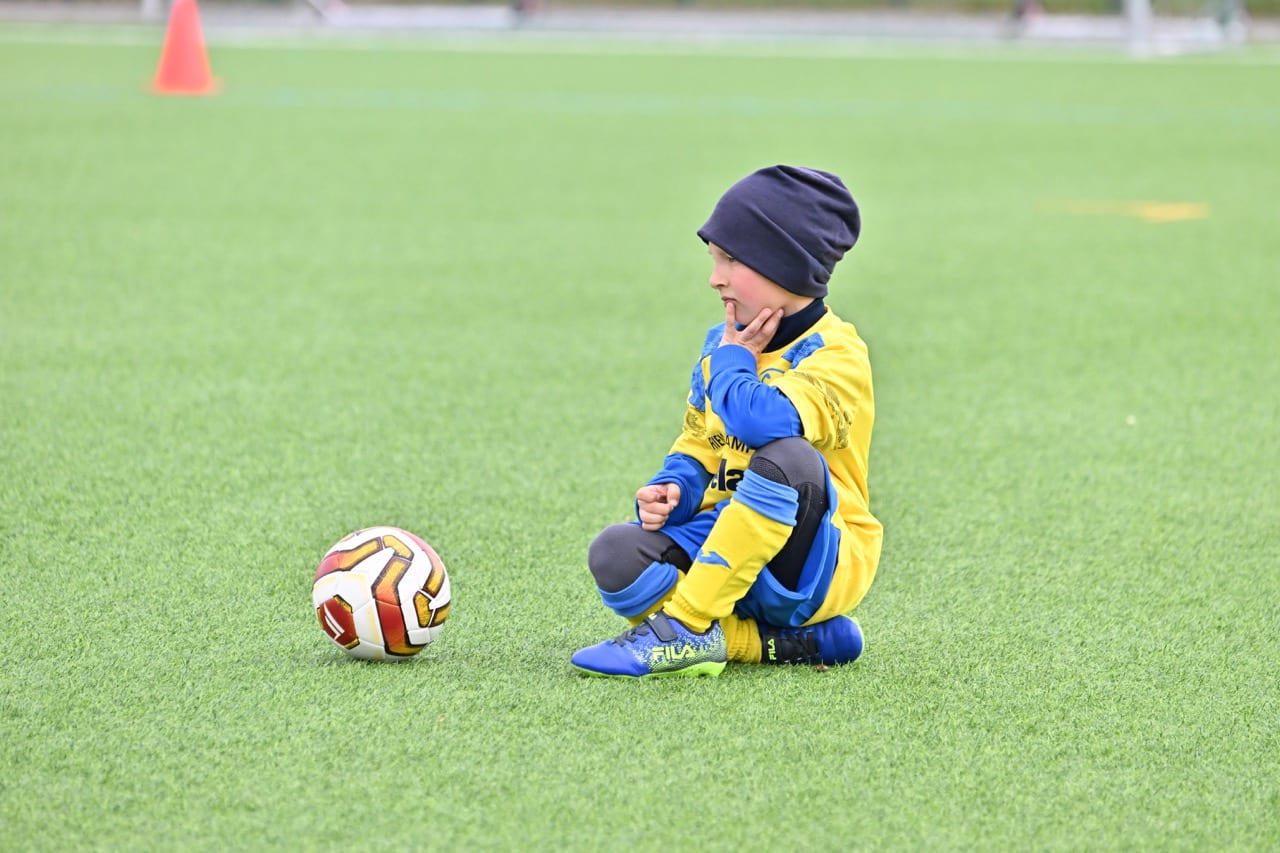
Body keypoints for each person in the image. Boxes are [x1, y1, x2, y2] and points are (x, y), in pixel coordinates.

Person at [571, 165, 883, 679]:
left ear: (785, 263)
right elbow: (700, 438)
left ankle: (685, 626)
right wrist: (677, 486)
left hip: (809, 565)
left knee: (788, 457)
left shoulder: (836, 354)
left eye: (731, 260)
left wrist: (734, 361)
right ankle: (772, 645)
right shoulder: (723, 342)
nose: (715, 277)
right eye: (715, 259)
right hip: (725, 545)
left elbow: (763, 423)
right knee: (615, 554)